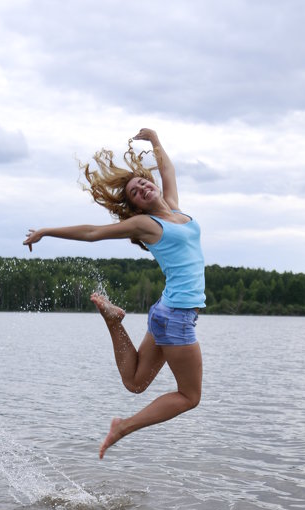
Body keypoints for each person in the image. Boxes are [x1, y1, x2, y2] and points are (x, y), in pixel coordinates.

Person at [23, 128, 206, 459]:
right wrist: (48, 231)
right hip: (177, 315)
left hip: (167, 311)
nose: (143, 188)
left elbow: (168, 171)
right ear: (135, 206)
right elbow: (93, 232)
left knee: (135, 382)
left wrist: (155, 141)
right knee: (189, 396)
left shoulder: (177, 210)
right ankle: (123, 426)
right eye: (136, 193)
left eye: (142, 183)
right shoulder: (146, 225)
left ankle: (113, 321)